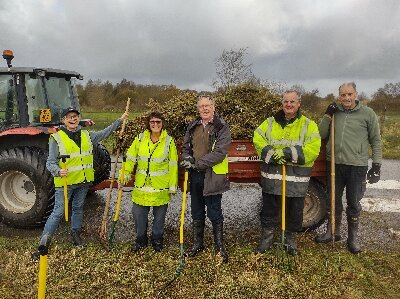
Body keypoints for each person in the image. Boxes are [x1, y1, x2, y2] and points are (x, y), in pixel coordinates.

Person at [32, 107, 128, 260]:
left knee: (77, 208)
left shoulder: (87, 135)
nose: (73, 119)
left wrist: (119, 121)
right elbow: (50, 162)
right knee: (58, 212)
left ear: (78, 119)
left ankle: (75, 236)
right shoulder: (57, 138)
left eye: (75, 116)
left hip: (83, 182)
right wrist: (58, 171)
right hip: (66, 183)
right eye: (69, 117)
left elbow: (105, 133)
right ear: (64, 120)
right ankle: (43, 244)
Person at [315, 82, 382, 254]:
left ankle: (352, 238)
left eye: (350, 94)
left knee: (353, 202)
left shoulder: (367, 114)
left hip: (357, 166)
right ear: (339, 96)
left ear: (356, 94)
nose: (346, 98)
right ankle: (333, 232)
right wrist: (327, 115)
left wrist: (376, 165)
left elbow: (375, 140)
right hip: (334, 164)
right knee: (333, 200)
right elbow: (321, 134)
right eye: (343, 95)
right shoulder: (334, 112)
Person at [253, 90, 321, 256]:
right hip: (273, 178)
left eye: (292, 102)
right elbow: (258, 138)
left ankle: (290, 240)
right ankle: (267, 239)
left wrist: (287, 153)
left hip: (296, 180)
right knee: (269, 210)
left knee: (294, 212)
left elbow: (312, 149)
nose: (288, 105)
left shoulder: (308, 125)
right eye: (285, 102)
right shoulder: (269, 123)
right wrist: (271, 153)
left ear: (299, 104)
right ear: (282, 103)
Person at [180, 95, 231, 263]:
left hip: (213, 176)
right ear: (198, 109)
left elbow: (220, 153)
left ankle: (220, 247)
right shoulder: (193, 126)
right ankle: (198, 244)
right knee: (196, 210)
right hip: (195, 176)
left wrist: (197, 163)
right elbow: (186, 146)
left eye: (207, 105)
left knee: (215, 211)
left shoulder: (221, 127)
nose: (205, 108)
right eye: (201, 106)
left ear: (213, 107)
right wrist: (187, 158)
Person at [120, 111, 178, 252]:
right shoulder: (140, 139)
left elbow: (173, 165)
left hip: (160, 188)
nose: (155, 124)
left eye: (158, 122)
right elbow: (130, 158)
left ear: (162, 123)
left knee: (159, 219)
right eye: (152, 122)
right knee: (139, 216)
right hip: (141, 187)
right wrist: (124, 175)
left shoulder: (169, 141)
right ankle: (141, 241)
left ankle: (157, 240)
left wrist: (172, 186)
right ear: (148, 124)